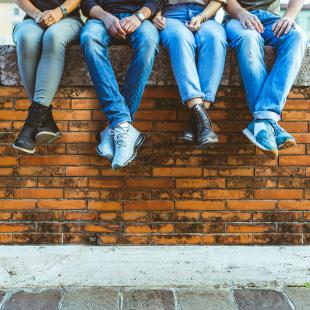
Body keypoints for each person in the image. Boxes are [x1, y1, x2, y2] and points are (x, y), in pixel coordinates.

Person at [80, 0, 161, 169]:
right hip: (101, 19)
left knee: (149, 42)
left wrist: (138, 17)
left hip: (141, 19)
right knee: (89, 38)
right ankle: (123, 125)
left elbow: (157, 1)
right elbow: (86, 3)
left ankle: (117, 125)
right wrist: (106, 17)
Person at [225, 0, 307, 159]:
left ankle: (263, 122)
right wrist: (242, 13)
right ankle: (267, 121)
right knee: (249, 38)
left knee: (297, 36)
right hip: (236, 20)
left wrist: (289, 16)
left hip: (271, 19)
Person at [153, 0, 227, 148]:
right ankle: (202, 121)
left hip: (206, 15)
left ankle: (197, 120)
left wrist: (201, 17)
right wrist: (156, 15)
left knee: (215, 38)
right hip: (171, 15)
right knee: (180, 39)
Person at [12, 0, 83, 154]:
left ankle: (31, 125)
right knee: (26, 38)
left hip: (69, 18)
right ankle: (44, 119)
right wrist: (37, 14)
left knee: (54, 36)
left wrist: (59, 12)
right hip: (32, 18)